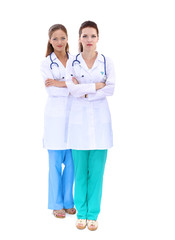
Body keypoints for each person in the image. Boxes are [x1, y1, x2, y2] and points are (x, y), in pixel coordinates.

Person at [66, 21, 115, 230]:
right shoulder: (72, 62)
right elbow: (71, 88)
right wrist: (96, 87)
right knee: (80, 171)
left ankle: (93, 214)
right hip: (78, 124)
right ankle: (82, 212)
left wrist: (84, 90)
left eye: (92, 36)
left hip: (101, 124)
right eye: (84, 36)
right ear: (79, 38)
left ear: (98, 38)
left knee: (96, 172)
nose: (88, 40)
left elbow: (111, 89)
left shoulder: (106, 61)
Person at [40, 24, 76, 218]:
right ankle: (56, 204)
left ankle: (69, 202)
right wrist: (70, 86)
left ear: (68, 39)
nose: (59, 42)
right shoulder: (46, 63)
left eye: (63, 38)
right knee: (54, 165)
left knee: (72, 165)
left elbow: (81, 86)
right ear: (50, 41)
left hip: (74, 118)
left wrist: (61, 83)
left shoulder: (76, 60)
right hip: (54, 120)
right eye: (55, 39)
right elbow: (52, 91)